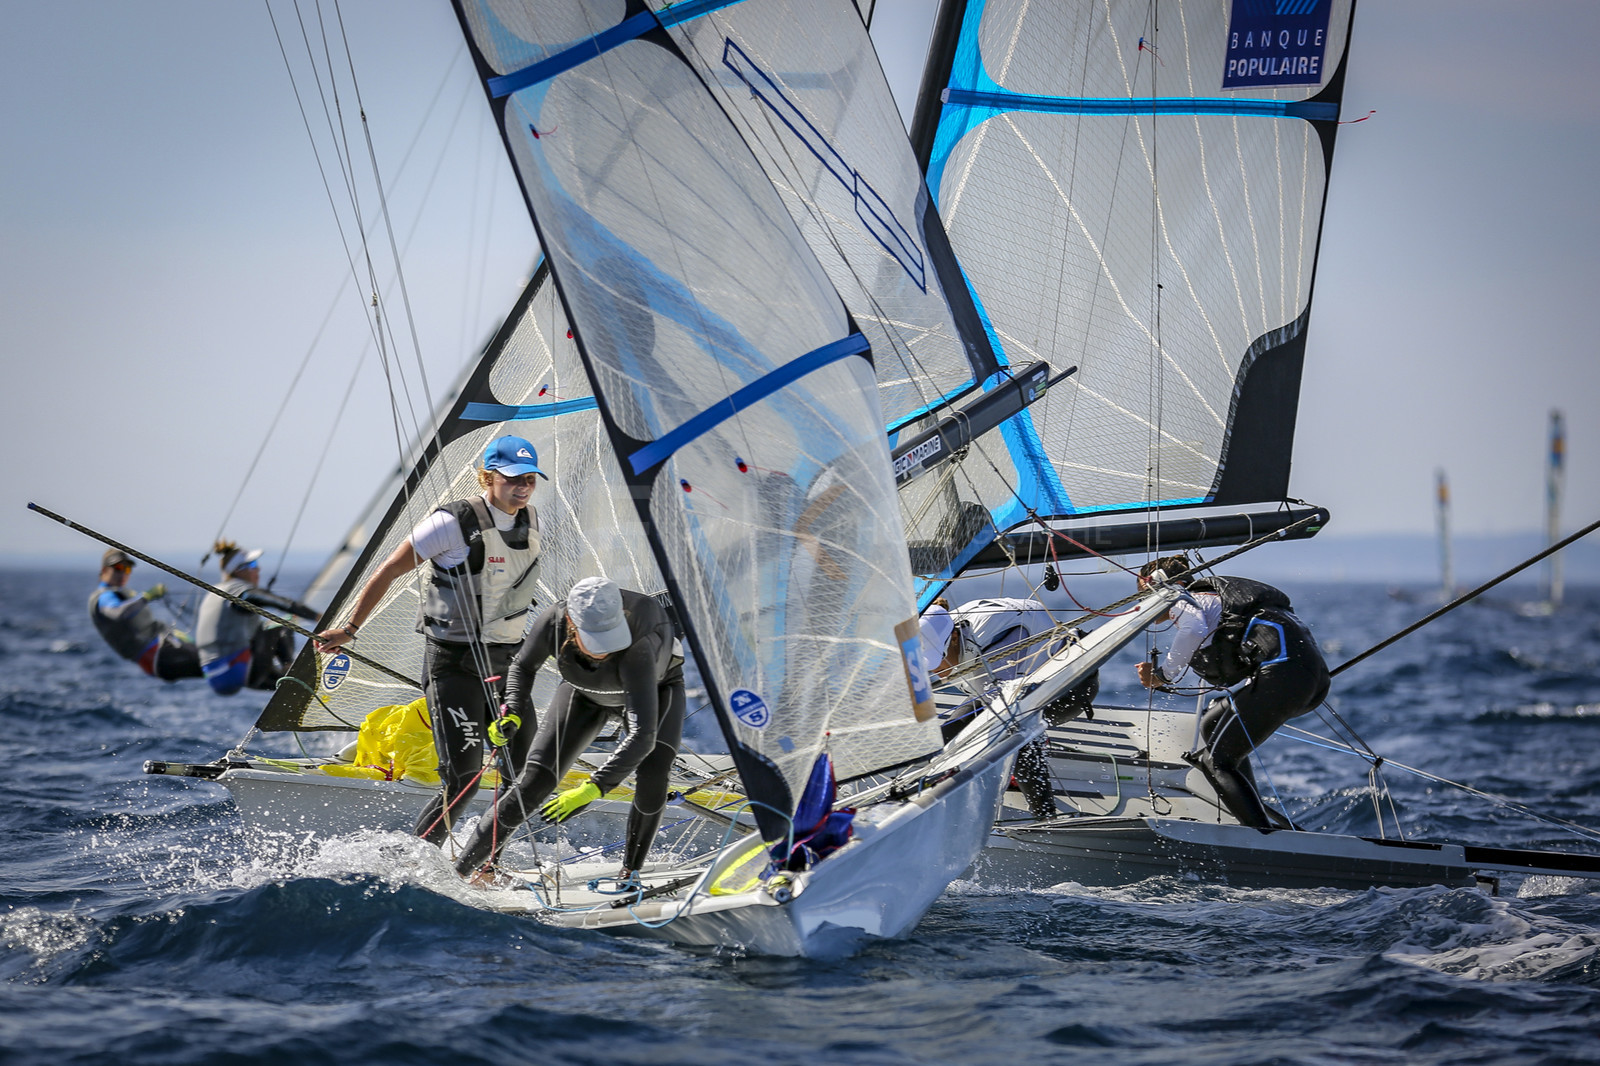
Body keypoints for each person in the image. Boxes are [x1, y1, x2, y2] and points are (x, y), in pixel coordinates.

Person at [314, 435, 547, 845]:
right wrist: (350, 629)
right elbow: (389, 569)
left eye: (529, 478)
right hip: (454, 667)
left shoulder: (532, 521)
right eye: (513, 479)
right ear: (489, 477)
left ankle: (485, 865)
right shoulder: (452, 522)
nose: (523, 487)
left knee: (523, 775)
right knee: (465, 778)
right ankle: (418, 859)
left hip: (505, 668)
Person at [451, 577, 686, 886]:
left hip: (657, 691)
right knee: (533, 782)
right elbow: (522, 667)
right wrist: (512, 711)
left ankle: (630, 873)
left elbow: (643, 735)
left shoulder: (639, 646)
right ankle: (465, 873)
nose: (603, 650)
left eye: (609, 637)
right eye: (595, 638)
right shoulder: (552, 622)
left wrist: (593, 787)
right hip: (582, 694)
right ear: (571, 623)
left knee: (653, 776)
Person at [1134, 555, 1330, 830]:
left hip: (1284, 679)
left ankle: (1261, 834)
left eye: (1143, 594)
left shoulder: (1185, 599)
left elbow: (1193, 629)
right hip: (1312, 682)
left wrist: (1162, 675)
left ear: (1162, 587)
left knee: (1216, 761)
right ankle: (1252, 810)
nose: (1140, 603)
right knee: (1210, 724)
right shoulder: (1213, 601)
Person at [934, 596, 1099, 820]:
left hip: (1072, 687)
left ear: (953, 638)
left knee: (1017, 737)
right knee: (945, 737)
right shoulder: (939, 626)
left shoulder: (993, 649)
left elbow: (1008, 716)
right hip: (1015, 685)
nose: (934, 668)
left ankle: (1044, 818)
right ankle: (931, 799)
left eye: (937, 659)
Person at [196, 542, 321, 696]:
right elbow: (282, 603)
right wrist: (318, 617)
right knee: (280, 626)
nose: (258, 569)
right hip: (237, 671)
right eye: (253, 564)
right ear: (239, 571)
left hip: (216, 678)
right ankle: (290, 672)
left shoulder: (215, 592)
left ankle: (293, 686)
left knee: (264, 630)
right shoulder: (240, 592)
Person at [87, 549, 203, 681]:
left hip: (162, 649)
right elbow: (119, 612)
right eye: (118, 568)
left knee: (215, 662)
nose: (123, 573)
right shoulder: (104, 596)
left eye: (127, 569)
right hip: (156, 655)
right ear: (104, 570)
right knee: (213, 662)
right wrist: (147, 596)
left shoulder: (121, 593)